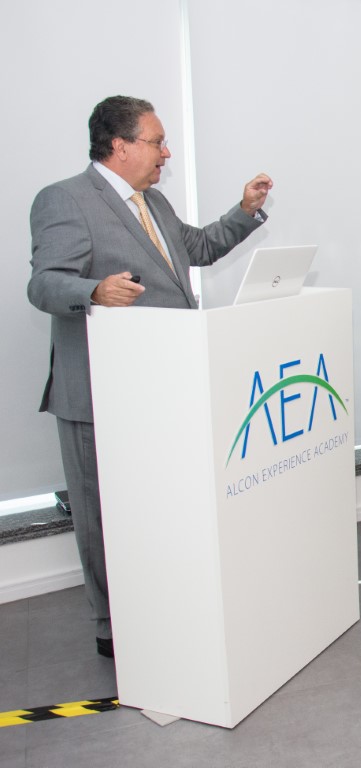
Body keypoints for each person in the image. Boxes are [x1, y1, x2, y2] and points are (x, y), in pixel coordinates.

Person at [27, 96, 271, 659]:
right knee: (103, 515)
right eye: (157, 142)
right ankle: (113, 627)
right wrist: (93, 290)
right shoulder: (65, 199)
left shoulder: (152, 201)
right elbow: (44, 283)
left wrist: (245, 210)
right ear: (120, 145)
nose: (167, 153)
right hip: (99, 393)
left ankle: (162, 607)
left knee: (157, 509)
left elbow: (198, 248)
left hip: (163, 387)